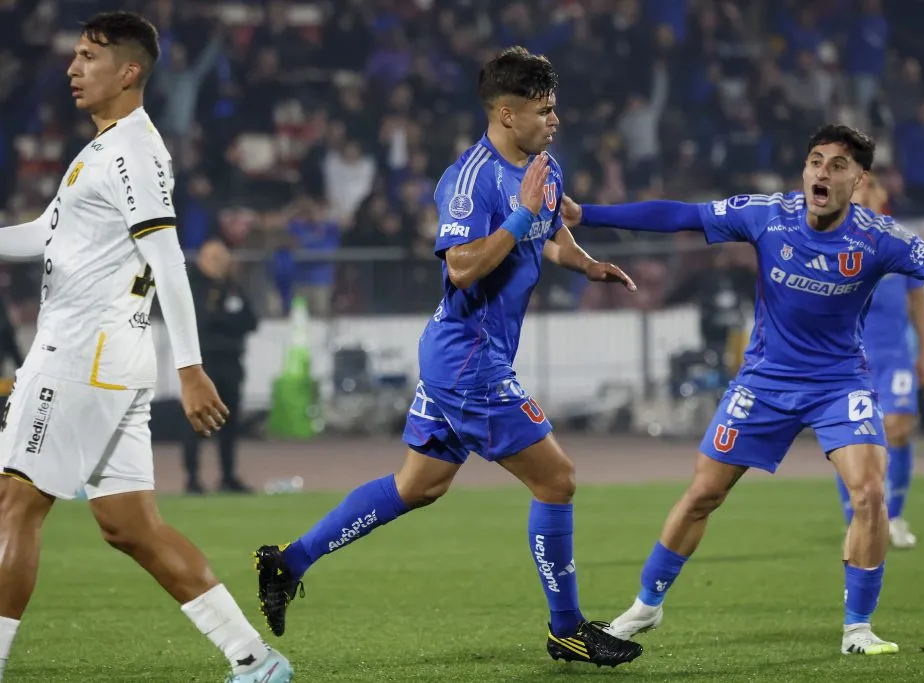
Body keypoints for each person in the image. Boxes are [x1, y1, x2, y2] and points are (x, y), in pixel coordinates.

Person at [561, 124, 924, 655]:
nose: (822, 172)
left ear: (859, 180)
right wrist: (588, 214)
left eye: (837, 165)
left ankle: (858, 628)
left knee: (870, 493)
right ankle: (647, 605)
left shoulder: (880, 239)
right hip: (765, 380)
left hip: (839, 383)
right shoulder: (767, 215)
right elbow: (682, 216)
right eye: (815, 161)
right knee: (703, 494)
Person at [253, 46, 644, 668]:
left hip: (463, 356)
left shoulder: (543, 164)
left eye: (556, 107)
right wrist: (517, 219)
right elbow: (461, 269)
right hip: (470, 360)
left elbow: (549, 230)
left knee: (418, 485)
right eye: (544, 110)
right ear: (506, 114)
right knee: (558, 480)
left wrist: (586, 263)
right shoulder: (469, 179)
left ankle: (287, 561)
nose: (555, 119)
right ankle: (567, 627)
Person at [0, 13, 291, 682]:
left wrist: (190, 367)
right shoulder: (105, 149)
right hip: (113, 360)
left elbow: (168, 259)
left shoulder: (130, 150)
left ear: (129, 72)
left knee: (14, 504)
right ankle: (254, 659)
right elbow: (46, 232)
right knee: (131, 524)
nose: (72, 68)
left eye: (87, 58)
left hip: (79, 358)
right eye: (73, 57)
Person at [835, 171, 924, 549]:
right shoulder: (830, 240)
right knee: (851, 441)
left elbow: (919, 301)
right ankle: (858, 521)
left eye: (868, 184)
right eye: (855, 184)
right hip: (848, 359)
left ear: (880, 193)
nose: (862, 190)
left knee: (900, 428)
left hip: (894, 356)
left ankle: (895, 516)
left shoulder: (899, 240)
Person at [182, 238, 258, 494]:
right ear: (202, 260)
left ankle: (228, 477)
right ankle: (192, 478)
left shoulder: (233, 287)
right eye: (214, 258)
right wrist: (229, 320)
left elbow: (251, 320)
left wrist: (224, 320)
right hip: (203, 366)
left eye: (223, 259)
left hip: (231, 363)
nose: (220, 264)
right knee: (196, 423)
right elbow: (204, 320)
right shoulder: (193, 286)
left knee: (229, 422)